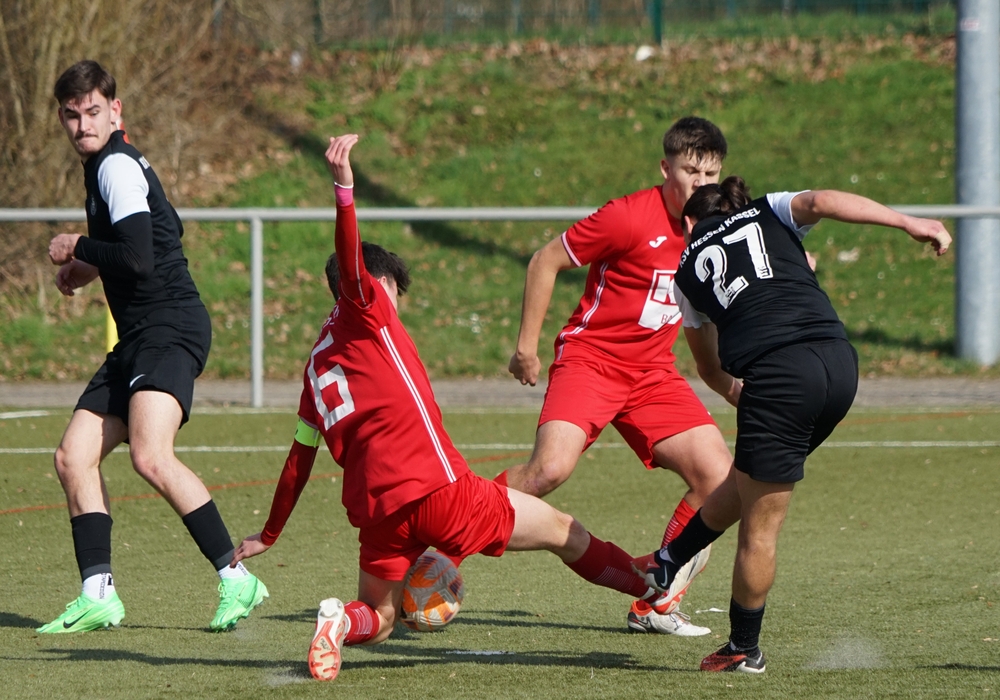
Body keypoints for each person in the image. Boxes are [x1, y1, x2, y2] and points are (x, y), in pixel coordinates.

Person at [230, 134, 672, 683]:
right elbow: (351, 263)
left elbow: (299, 458)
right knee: (563, 532)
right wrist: (345, 191)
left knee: (383, 617)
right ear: (381, 283)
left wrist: (269, 534)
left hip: (378, 517)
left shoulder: (314, 370)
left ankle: (339, 622)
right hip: (438, 490)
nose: (395, 300)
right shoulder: (366, 310)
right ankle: (651, 586)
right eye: (393, 289)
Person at [633, 177, 952, 673]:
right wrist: (909, 221)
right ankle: (670, 559)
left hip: (781, 377)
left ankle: (742, 649)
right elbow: (822, 200)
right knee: (751, 481)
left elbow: (711, 368)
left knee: (759, 529)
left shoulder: (685, 271)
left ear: (689, 223)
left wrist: (745, 395)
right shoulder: (769, 211)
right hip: (840, 364)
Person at [38, 60, 267, 634]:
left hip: (169, 327)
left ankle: (238, 580)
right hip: (140, 337)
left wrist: (76, 246)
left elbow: (140, 258)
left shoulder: (114, 165)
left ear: (115, 111)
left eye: (93, 111)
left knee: (151, 455)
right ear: (62, 119)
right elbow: (163, 232)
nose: (82, 123)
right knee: (73, 456)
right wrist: (87, 267)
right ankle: (98, 594)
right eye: (72, 114)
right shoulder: (111, 166)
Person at [503, 117, 739, 635]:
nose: (700, 184)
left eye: (710, 174)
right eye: (689, 171)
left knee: (719, 479)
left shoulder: (718, 228)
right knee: (548, 471)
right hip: (592, 360)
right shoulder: (627, 217)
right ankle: (444, 525)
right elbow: (544, 261)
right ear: (665, 168)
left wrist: (731, 387)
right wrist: (526, 348)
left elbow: (703, 330)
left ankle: (656, 599)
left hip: (653, 374)